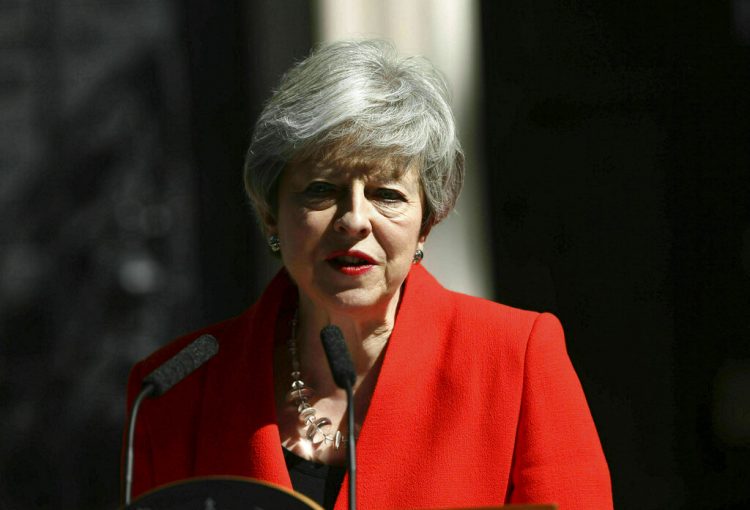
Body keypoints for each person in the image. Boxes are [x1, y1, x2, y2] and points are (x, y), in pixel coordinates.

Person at [123, 39, 612, 509]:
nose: (354, 219)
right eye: (320, 188)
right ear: (271, 213)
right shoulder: (175, 392)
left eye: (386, 194)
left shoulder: (514, 361)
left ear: (428, 221)